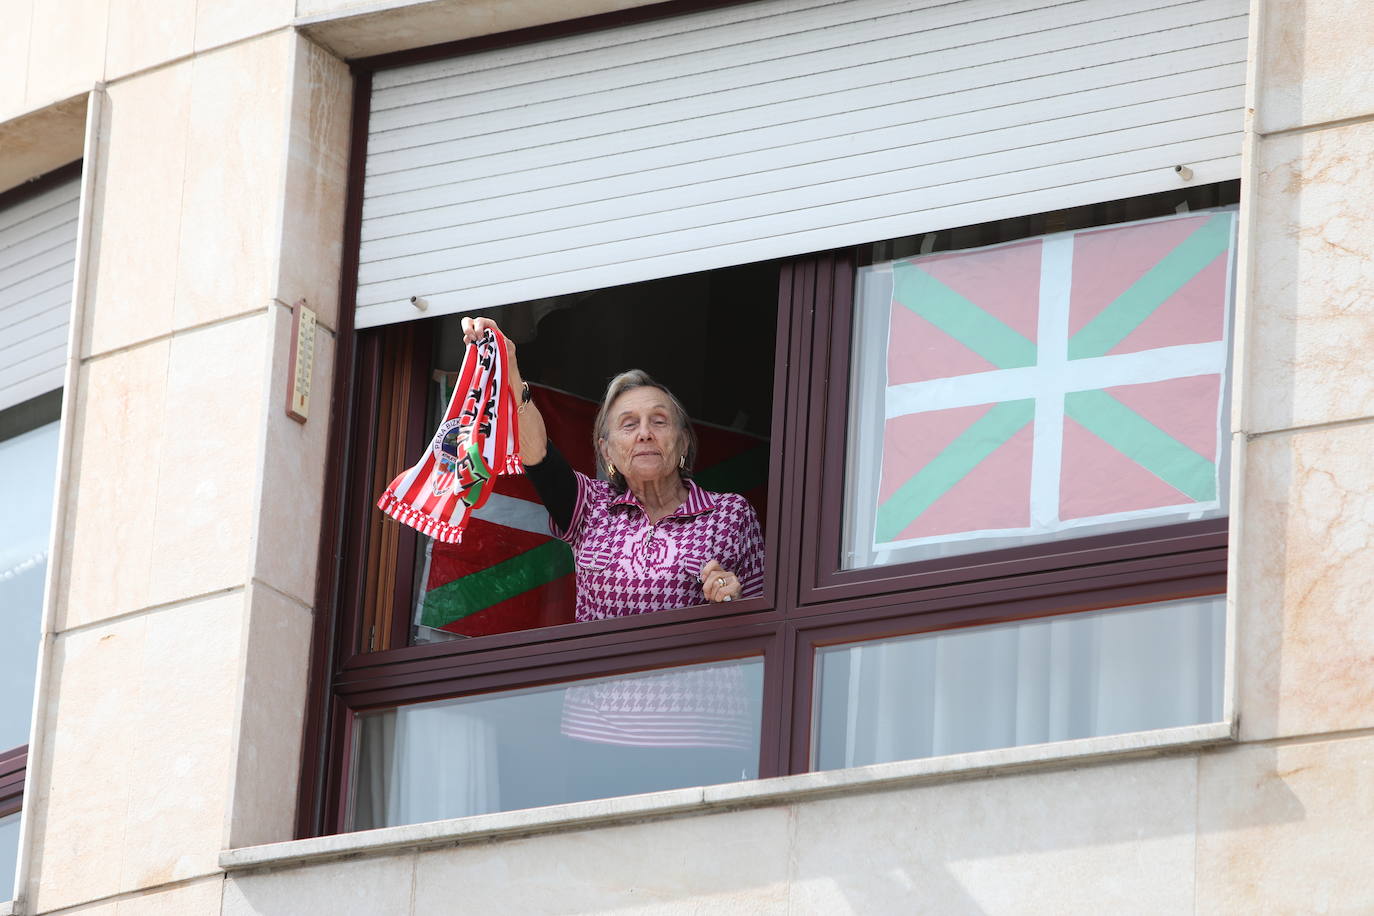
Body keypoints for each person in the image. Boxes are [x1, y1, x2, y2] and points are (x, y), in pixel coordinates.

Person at [461, 316, 764, 621]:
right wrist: (508, 363)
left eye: (659, 421)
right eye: (629, 424)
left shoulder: (730, 514)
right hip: (606, 670)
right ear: (607, 451)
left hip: (695, 668)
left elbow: (763, 626)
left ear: (683, 442)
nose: (645, 433)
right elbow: (538, 455)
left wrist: (732, 599)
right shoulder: (591, 506)